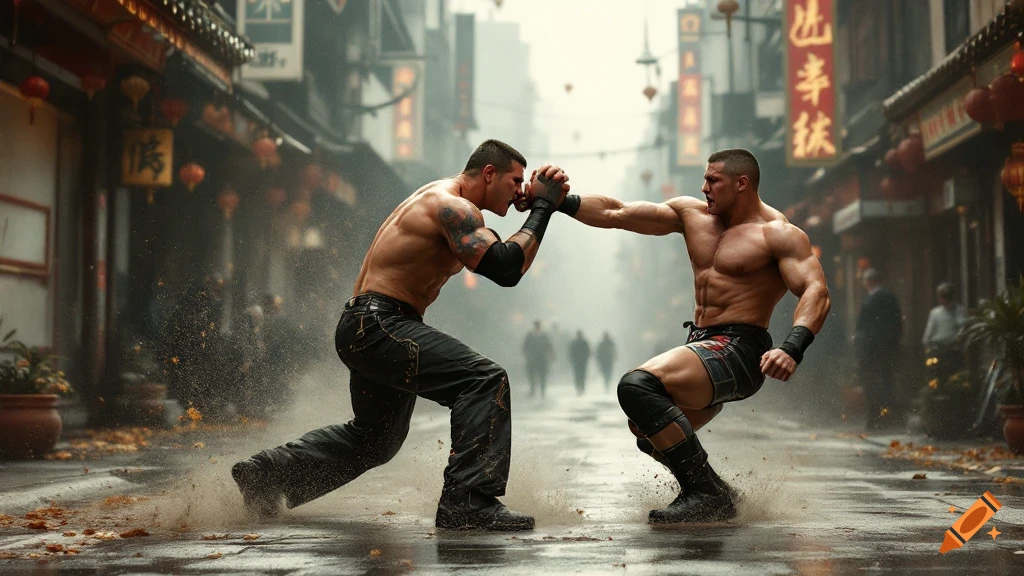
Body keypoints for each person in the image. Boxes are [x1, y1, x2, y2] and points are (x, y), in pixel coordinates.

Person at [231, 140, 569, 532]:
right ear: (488, 174)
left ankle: (267, 477)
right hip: (380, 324)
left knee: (377, 438)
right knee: (484, 379)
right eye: (515, 180)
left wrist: (541, 207)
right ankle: (468, 502)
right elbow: (505, 268)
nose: (519, 190)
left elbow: (508, 258)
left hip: (368, 325)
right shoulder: (453, 207)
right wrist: (543, 207)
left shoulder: (451, 203)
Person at [535, 149, 830, 523]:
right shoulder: (691, 216)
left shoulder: (778, 233)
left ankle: (703, 492)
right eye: (704, 179)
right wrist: (560, 202)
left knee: (637, 387)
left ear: (742, 184)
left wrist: (793, 347)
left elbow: (815, 291)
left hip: (740, 349)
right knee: (649, 429)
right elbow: (617, 213)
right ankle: (719, 493)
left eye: (713, 181)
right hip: (703, 344)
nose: (703, 187)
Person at [855, 268, 903, 430]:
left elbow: (866, 325)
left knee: (874, 382)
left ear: (869, 282)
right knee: (886, 380)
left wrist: (863, 342)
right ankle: (886, 417)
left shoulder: (875, 299)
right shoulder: (888, 297)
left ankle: (877, 417)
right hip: (885, 347)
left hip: (873, 348)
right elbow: (897, 322)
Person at [921, 282, 966, 384]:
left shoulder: (959, 311)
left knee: (954, 375)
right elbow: (929, 331)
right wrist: (926, 344)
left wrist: (959, 338)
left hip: (952, 349)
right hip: (937, 349)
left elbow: (962, 327)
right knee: (935, 373)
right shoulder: (935, 313)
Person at [522, 320, 554, 398]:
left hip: (542, 358)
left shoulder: (543, 335)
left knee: (542, 375)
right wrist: (526, 354)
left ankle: (542, 390)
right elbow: (525, 346)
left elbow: (549, 345)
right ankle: (532, 390)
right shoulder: (530, 335)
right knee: (532, 375)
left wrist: (551, 354)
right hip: (532, 358)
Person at [568, 330, 591, 395]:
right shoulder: (575, 343)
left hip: (582, 362)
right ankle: (578, 387)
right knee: (577, 375)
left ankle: (581, 387)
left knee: (582, 375)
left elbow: (588, 351)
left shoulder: (583, 342)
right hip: (577, 362)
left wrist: (586, 358)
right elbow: (571, 352)